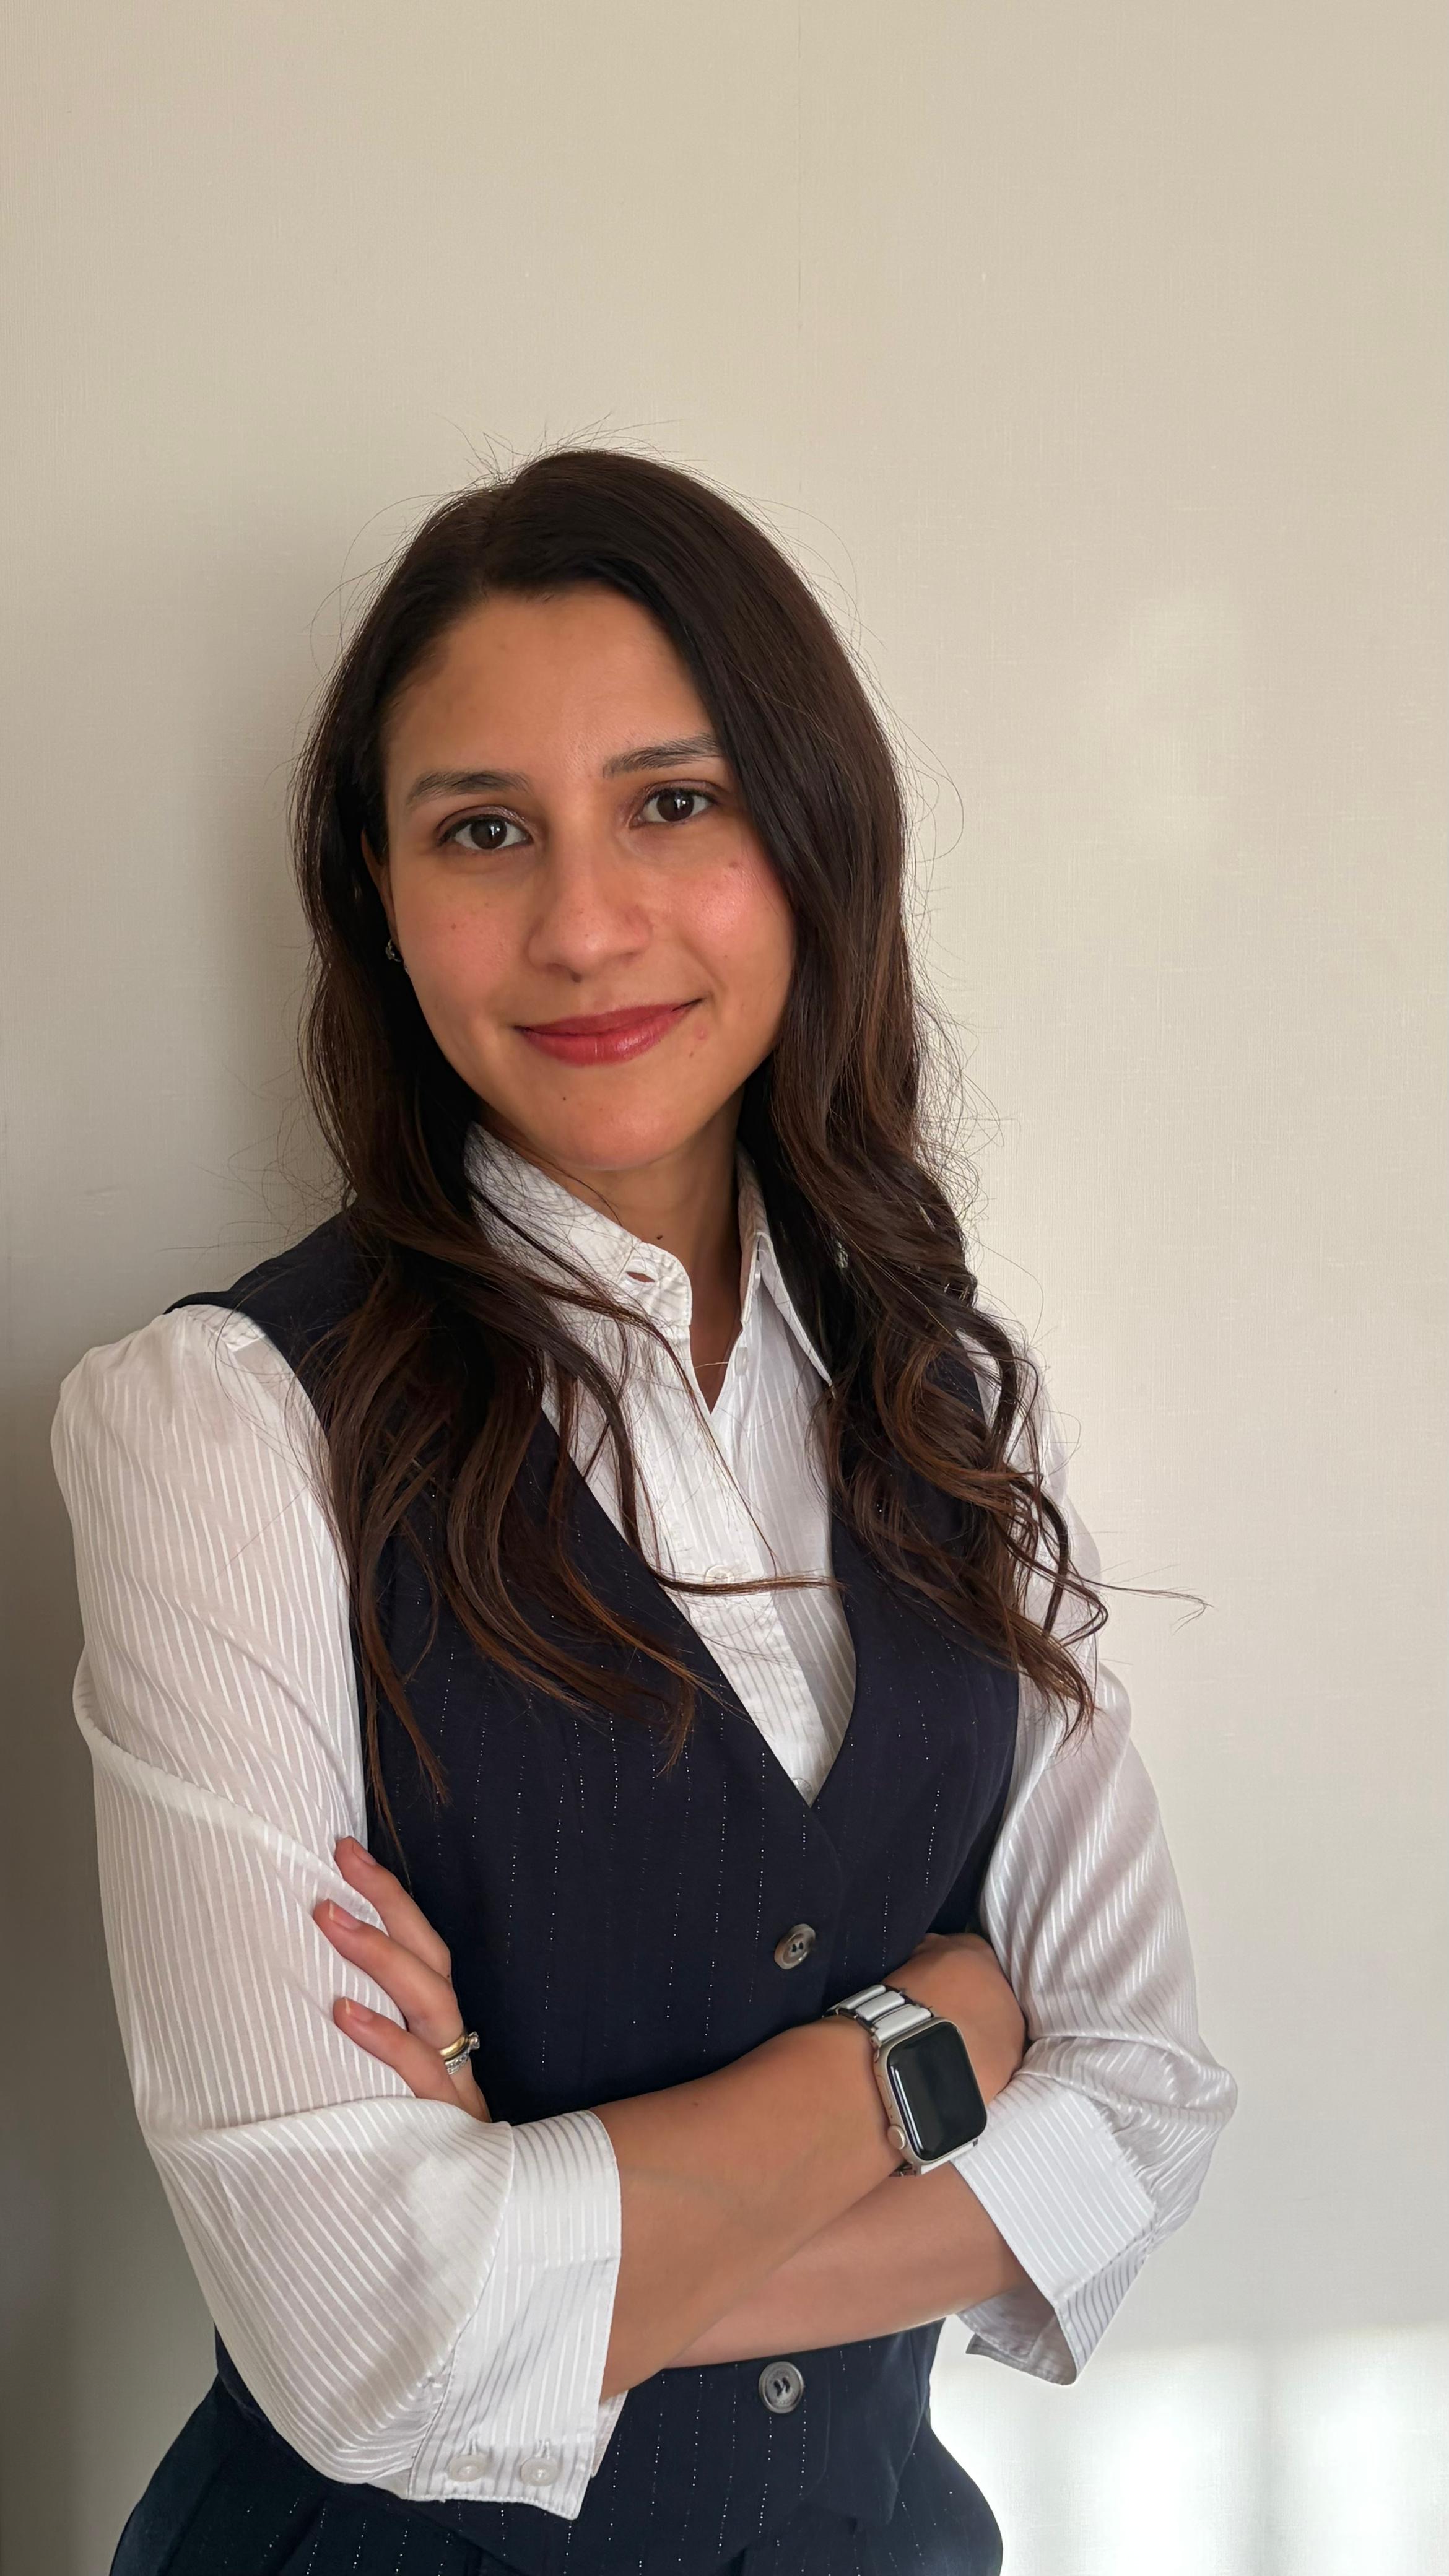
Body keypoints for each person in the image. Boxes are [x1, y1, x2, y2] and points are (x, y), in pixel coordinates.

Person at [53, 448, 1237, 2576]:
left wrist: (556, 2266)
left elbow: (1143, 2100)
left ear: (810, 840)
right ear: (379, 893)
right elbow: (351, 2331)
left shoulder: (958, 1404)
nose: (584, 925)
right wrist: (930, 2043)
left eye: (672, 802)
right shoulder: (221, 1429)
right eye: (482, 829)